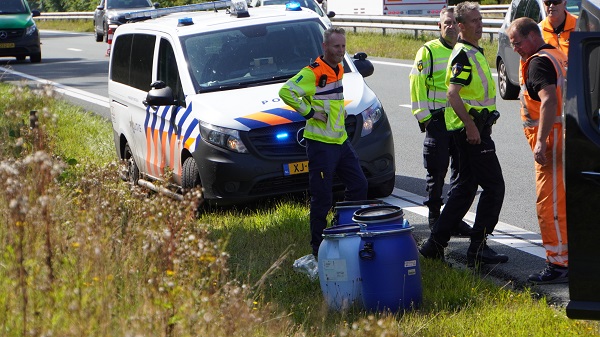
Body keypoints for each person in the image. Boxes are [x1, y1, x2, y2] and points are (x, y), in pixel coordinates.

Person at [418, 1, 508, 268]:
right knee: (494, 187)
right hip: (472, 132)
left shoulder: (471, 51)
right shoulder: (464, 55)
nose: (479, 24)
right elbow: (452, 94)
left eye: (480, 19)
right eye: (474, 21)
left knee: (465, 188)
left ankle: (434, 245)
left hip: (471, 130)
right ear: (460, 26)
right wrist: (470, 125)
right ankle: (478, 248)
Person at [279, 27, 368, 258]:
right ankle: (318, 250)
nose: (341, 51)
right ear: (325, 47)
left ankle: (343, 228)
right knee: (322, 198)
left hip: (340, 141)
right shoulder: (313, 72)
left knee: (359, 185)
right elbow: (286, 91)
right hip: (320, 145)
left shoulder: (338, 68)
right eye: (336, 46)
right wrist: (309, 113)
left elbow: (330, 101)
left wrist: (341, 114)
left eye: (343, 46)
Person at [507, 17, 568, 284]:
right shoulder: (557, 54)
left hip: (552, 142)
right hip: (565, 138)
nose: (516, 48)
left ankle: (558, 263)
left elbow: (549, 99)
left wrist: (541, 141)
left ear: (533, 35)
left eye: (518, 43)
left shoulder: (538, 62)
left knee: (549, 206)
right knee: (564, 203)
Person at [409, 8, 471, 236]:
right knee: (437, 171)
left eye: (455, 22)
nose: (451, 26)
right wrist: (425, 118)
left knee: (460, 171)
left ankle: (454, 218)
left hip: (460, 121)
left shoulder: (464, 51)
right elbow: (416, 85)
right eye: (447, 23)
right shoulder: (428, 51)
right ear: (439, 26)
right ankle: (435, 217)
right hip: (437, 120)